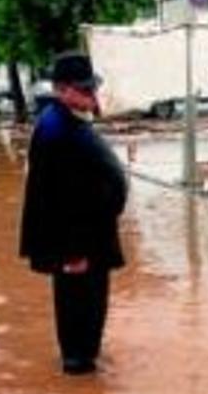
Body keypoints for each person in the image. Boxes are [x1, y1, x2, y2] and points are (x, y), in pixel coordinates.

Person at [20, 51, 128, 375]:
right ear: (62, 90)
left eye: (91, 89)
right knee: (78, 308)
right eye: (84, 91)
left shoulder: (68, 121)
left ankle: (86, 364)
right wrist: (73, 251)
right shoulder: (55, 130)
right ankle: (79, 376)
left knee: (91, 307)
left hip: (91, 238)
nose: (91, 96)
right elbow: (57, 198)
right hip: (77, 245)